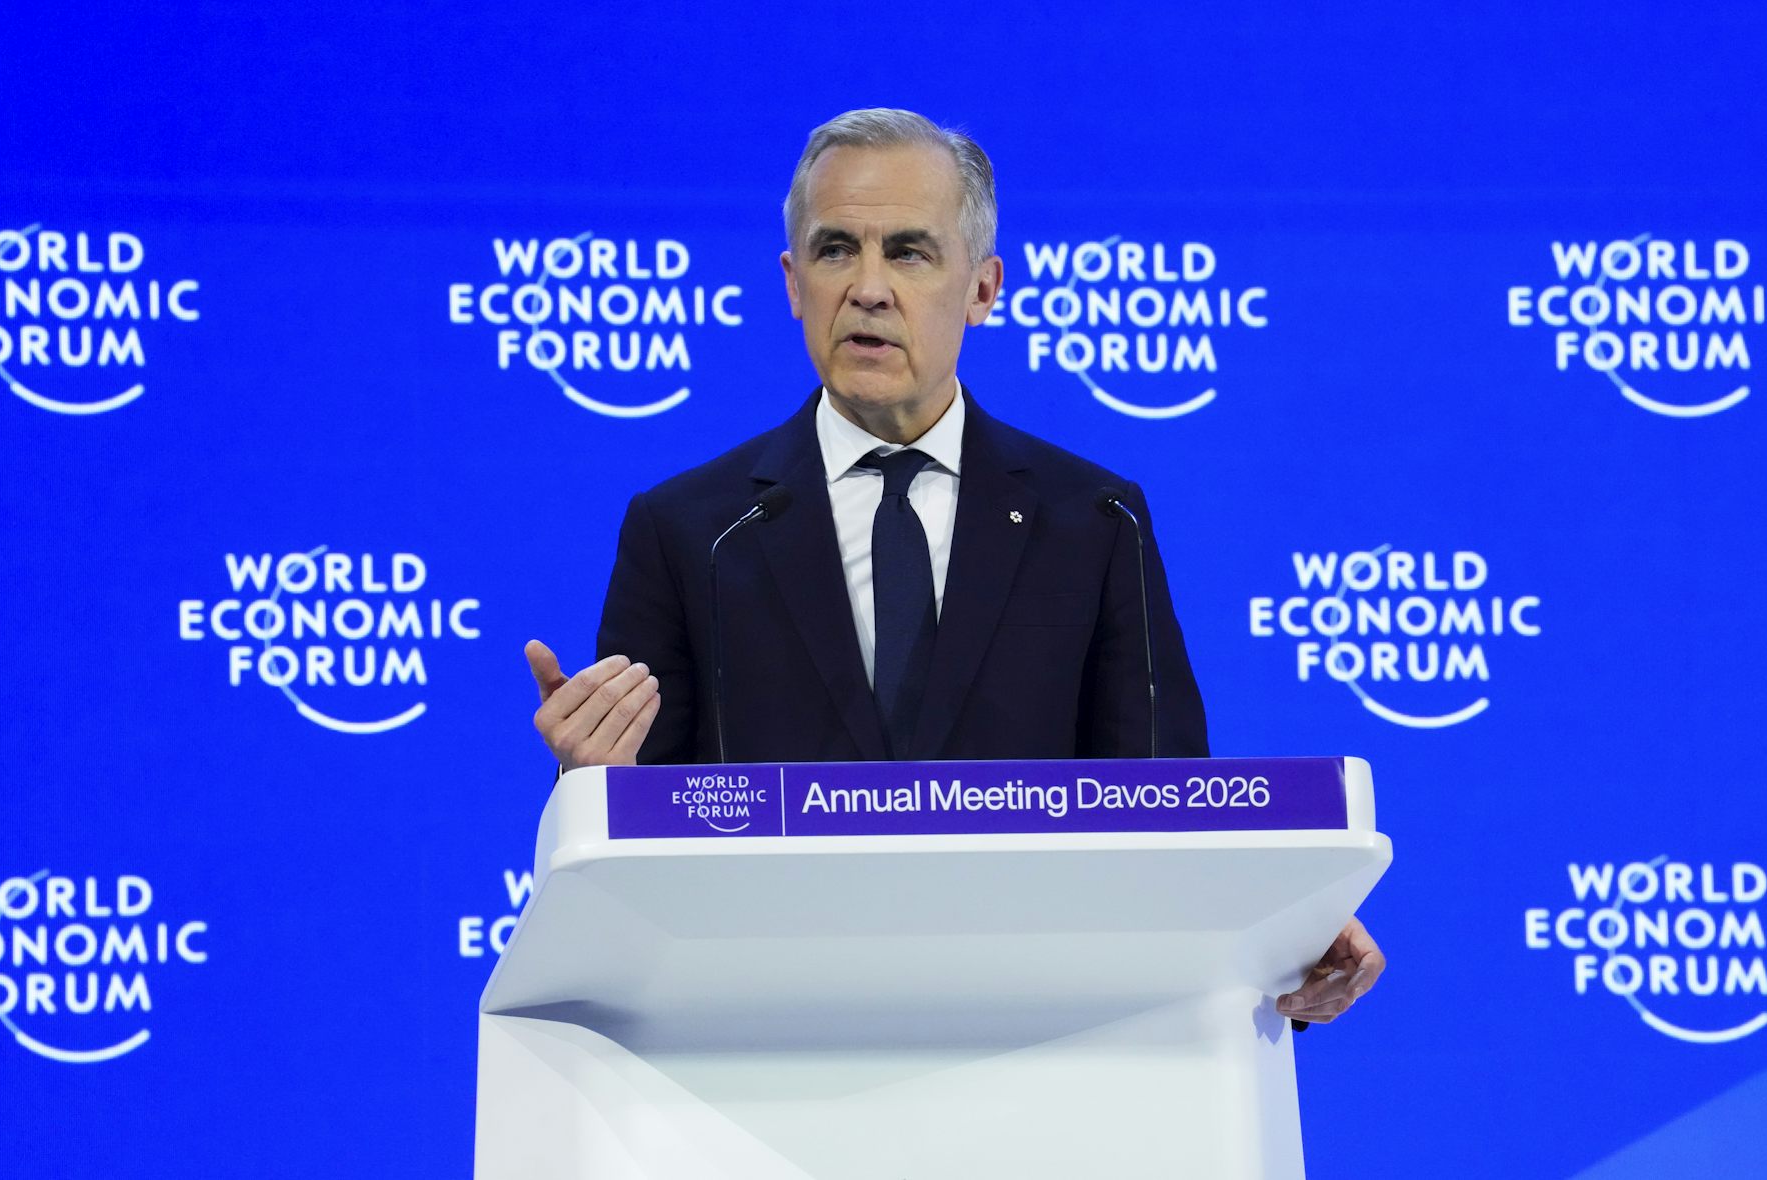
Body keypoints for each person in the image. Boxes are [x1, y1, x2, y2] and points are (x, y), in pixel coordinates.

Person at [524, 108, 1381, 1025]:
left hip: (1038, 1039)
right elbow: (641, 864)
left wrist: (1282, 933)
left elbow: (1165, 810)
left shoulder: (1093, 519)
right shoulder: (691, 529)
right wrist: (594, 788)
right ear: (792, 283)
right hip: (769, 1039)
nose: (868, 288)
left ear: (982, 288)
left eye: (909, 252)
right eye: (835, 250)